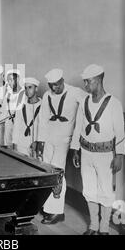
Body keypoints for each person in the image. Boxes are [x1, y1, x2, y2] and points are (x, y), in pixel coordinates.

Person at [71, 64, 125, 235]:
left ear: (99, 79)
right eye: (85, 82)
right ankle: (93, 226)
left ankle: (104, 228)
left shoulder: (113, 103)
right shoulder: (84, 101)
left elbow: (120, 132)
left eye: (88, 82)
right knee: (89, 190)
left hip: (105, 155)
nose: (86, 86)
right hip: (86, 152)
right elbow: (79, 127)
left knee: (106, 192)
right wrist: (75, 150)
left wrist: (120, 155)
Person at [37, 68, 86, 225]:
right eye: (51, 85)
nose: (54, 88)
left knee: (57, 172)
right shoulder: (47, 95)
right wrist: (40, 140)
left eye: (57, 85)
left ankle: (57, 211)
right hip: (49, 136)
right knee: (45, 170)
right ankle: (46, 206)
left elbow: (91, 104)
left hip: (65, 138)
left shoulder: (75, 92)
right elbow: (43, 119)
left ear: (62, 81)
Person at [12, 78, 41, 157]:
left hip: (35, 145)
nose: (27, 90)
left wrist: (37, 142)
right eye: (26, 88)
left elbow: (43, 127)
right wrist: (15, 143)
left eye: (30, 87)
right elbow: (17, 125)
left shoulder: (43, 105)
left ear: (36, 89)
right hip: (21, 144)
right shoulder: (21, 105)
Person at [1, 69, 25, 147]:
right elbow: (4, 112)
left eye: (11, 80)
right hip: (8, 125)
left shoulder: (24, 94)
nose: (9, 83)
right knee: (7, 148)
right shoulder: (8, 94)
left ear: (17, 79)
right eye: (8, 81)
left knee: (19, 149)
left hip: (20, 127)